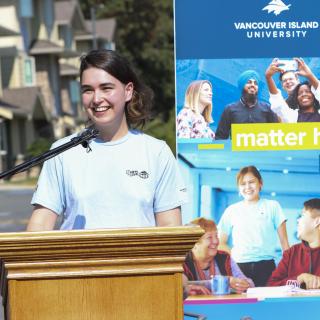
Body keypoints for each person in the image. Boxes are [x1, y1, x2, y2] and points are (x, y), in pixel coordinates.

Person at [27, 49, 187, 231]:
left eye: (106, 88)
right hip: (78, 260)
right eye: (88, 90)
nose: (96, 99)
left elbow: (170, 226)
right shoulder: (61, 151)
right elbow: (40, 224)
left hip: (138, 261)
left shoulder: (157, 152)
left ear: (128, 92)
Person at [218, 166, 290, 287]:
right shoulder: (231, 210)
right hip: (239, 266)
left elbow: (285, 243)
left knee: (267, 303)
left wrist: (288, 268)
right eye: (243, 184)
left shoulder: (273, 206)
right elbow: (221, 242)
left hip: (266, 266)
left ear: (260, 183)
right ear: (238, 188)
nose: (247, 187)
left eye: (251, 182)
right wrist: (233, 261)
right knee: (241, 303)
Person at [183, 217, 254, 297]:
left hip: (223, 307)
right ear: (194, 243)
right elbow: (180, 285)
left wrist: (243, 284)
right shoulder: (182, 261)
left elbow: (249, 282)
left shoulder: (224, 257)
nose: (216, 241)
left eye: (216, 236)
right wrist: (224, 282)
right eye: (209, 237)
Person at [268, 198, 320, 289]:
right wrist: (298, 279)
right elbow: (271, 284)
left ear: (317, 221)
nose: (298, 220)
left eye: (302, 215)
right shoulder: (291, 253)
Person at [215, 70, 278, 140]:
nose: (253, 85)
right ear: (242, 85)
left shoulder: (268, 108)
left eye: (256, 83)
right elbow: (220, 138)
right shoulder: (230, 109)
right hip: (237, 150)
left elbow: (277, 135)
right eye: (249, 82)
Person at [265, 57, 320, 122]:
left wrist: (309, 75)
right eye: (300, 93)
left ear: (314, 95)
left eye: (307, 91)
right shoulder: (293, 117)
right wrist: (268, 77)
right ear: (296, 98)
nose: (304, 94)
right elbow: (278, 103)